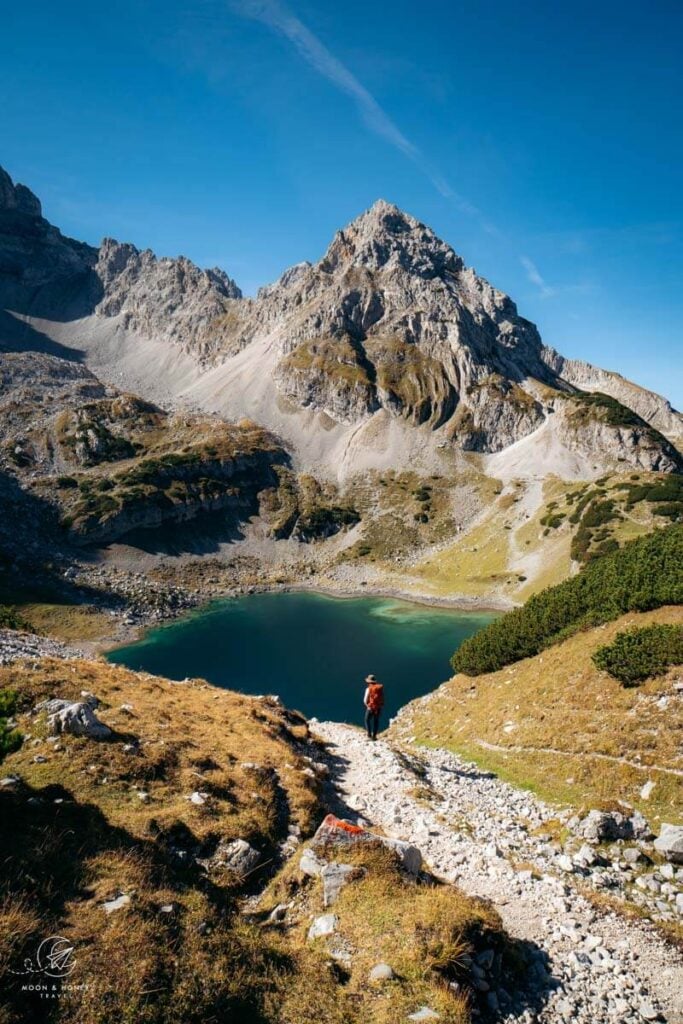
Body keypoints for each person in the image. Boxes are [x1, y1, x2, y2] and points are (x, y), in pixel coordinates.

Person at [363, 673, 384, 740]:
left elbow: (365, 700)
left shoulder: (368, 689)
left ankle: (369, 735)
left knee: (367, 720)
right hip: (378, 707)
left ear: (369, 682)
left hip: (371, 707)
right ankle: (374, 736)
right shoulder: (379, 688)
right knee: (376, 721)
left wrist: (367, 706)